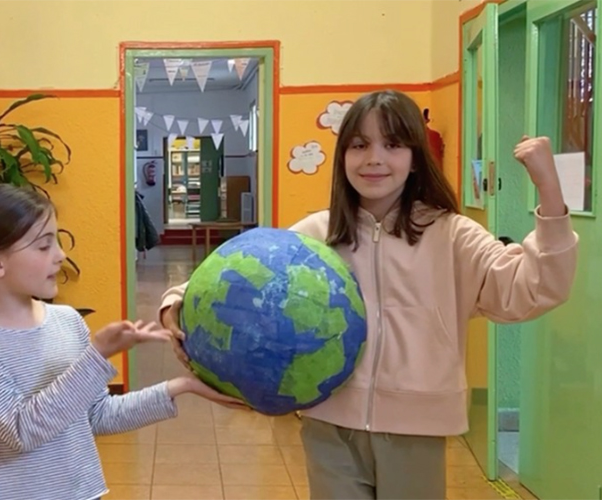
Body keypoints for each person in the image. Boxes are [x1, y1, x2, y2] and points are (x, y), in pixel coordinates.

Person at [157, 90, 578, 499]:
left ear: (415, 160)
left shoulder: (453, 235)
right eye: (359, 145)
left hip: (418, 429)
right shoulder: (319, 234)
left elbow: (536, 287)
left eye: (393, 144)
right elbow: (235, 280)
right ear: (343, 158)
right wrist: (174, 305)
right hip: (328, 424)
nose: (374, 158)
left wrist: (550, 194)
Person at [0, 184, 244, 500]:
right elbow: (22, 430)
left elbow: (98, 415)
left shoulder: (67, 320)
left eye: (57, 240)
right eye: (44, 246)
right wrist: (98, 356)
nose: (60, 255)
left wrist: (182, 385)